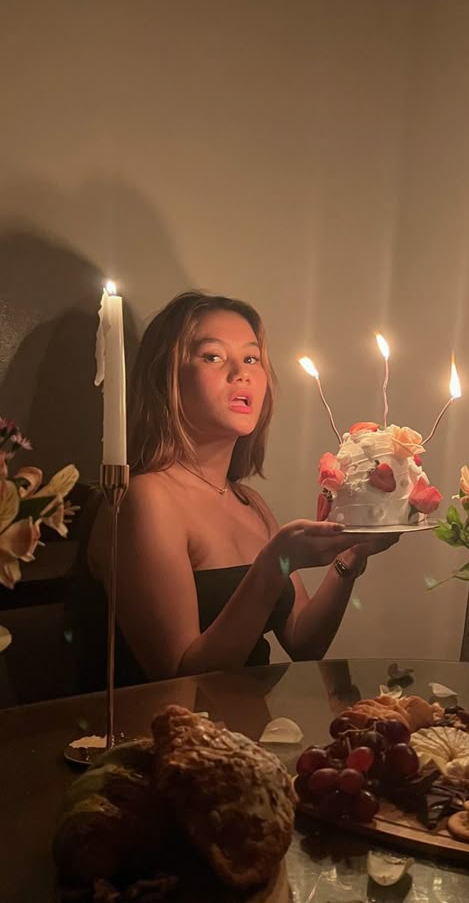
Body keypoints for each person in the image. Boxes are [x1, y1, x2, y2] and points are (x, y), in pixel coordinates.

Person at [83, 291, 398, 685]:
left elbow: (304, 642)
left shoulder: (249, 502)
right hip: (170, 736)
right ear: (166, 377)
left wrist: (351, 555)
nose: (241, 373)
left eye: (251, 358)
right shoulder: (142, 500)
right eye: (213, 356)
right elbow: (182, 681)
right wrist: (273, 563)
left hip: (248, 733)